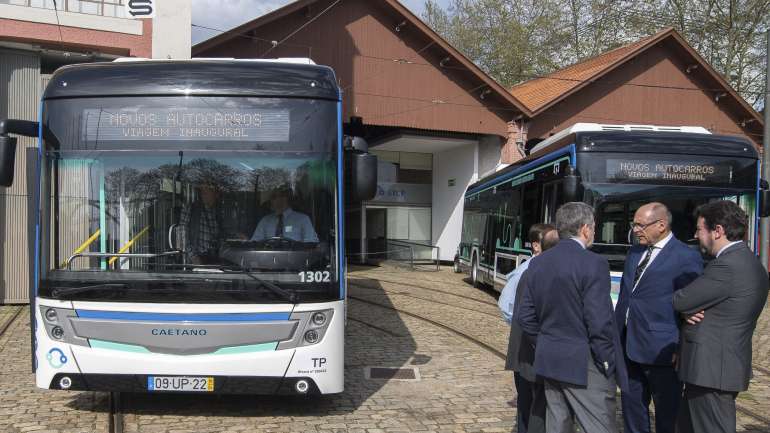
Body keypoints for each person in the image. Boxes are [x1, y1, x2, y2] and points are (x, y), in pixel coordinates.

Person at [515, 202, 627, 433]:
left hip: (550, 359)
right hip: (585, 363)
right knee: (599, 426)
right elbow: (598, 320)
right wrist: (606, 360)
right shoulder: (594, 262)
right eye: (594, 228)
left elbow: (525, 315)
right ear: (585, 229)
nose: (594, 232)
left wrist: (546, 340)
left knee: (558, 425)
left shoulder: (538, 263)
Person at [673, 200, 769, 433]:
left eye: (699, 229)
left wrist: (687, 309)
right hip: (717, 366)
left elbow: (681, 299)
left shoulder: (727, 265)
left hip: (711, 369)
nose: (696, 235)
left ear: (718, 231)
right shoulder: (747, 260)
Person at [615, 202, 702, 433]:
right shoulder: (634, 252)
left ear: (661, 225)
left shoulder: (686, 256)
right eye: (634, 225)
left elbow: (693, 309)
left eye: (640, 225)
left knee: (667, 415)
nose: (635, 230)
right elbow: (627, 296)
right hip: (627, 345)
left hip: (663, 350)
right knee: (632, 411)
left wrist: (682, 347)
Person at [501, 223, 558, 433]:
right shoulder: (526, 271)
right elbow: (507, 306)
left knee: (532, 408)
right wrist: (522, 332)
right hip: (527, 353)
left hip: (530, 351)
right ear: (536, 245)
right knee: (529, 407)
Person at [251, 186, 319, 243]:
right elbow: (254, 244)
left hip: (295, 258)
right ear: (271, 201)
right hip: (268, 258)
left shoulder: (303, 219)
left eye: (282, 195)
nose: (278, 199)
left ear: (288, 198)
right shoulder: (265, 221)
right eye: (274, 197)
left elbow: (311, 244)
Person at [179, 183, 222, 265]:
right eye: (202, 192)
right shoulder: (190, 209)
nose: (203, 195)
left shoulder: (219, 211)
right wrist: (193, 257)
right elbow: (182, 235)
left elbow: (222, 235)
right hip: (197, 260)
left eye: (206, 192)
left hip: (217, 259)